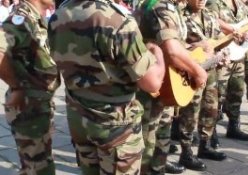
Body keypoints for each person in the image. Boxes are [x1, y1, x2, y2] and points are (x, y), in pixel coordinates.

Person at [48, 0, 166, 174]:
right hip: (115, 123)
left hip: (79, 117)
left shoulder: (58, 15)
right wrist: (158, 55)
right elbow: (152, 83)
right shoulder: (118, 20)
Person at [137, 0, 209, 173]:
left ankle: (157, 168)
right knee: (148, 142)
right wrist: (198, 72)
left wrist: (196, 49)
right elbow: (171, 50)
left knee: (161, 136)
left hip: (163, 83)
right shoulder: (160, 6)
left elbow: (174, 45)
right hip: (152, 89)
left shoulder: (166, 6)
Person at [0, 0, 60, 174]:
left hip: (38, 104)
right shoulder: (20, 19)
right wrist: (16, 86)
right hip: (29, 105)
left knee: (34, 165)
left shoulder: (33, 18)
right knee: (39, 168)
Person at [207, 0, 248, 142]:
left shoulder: (241, 5)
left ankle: (234, 126)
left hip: (239, 55)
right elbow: (210, 19)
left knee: (237, 91)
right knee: (217, 95)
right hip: (222, 56)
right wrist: (232, 29)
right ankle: (210, 133)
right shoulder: (215, 3)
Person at [177, 0, 231, 169]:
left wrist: (224, 53)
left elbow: (218, 41)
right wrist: (194, 45)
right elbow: (173, 44)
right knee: (190, 111)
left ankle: (205, 145)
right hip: (191, 71)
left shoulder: (210, 15)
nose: (201, 1)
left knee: (211, 108)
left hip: (211, 70)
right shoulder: (179, 15)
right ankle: (186, 152)